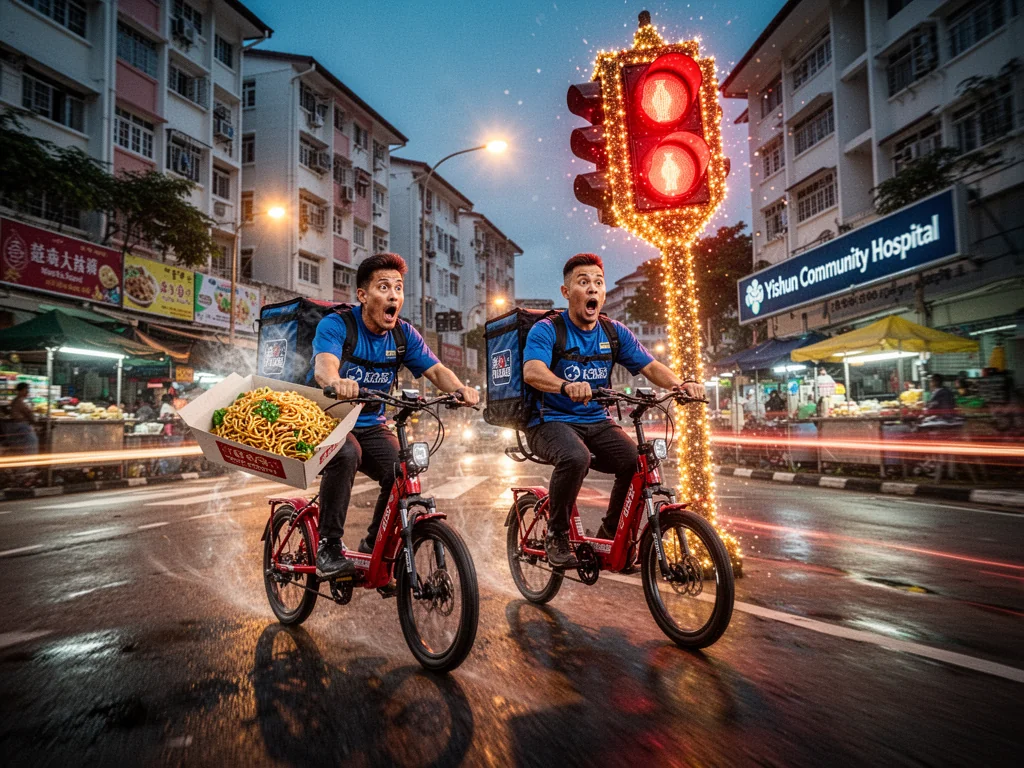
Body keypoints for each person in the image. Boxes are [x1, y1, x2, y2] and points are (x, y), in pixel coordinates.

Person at [522, 253, 703, 568]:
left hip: (596, 421)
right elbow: (532, 371)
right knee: (575, 457)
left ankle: (610, 535)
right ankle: (556, 535)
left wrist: (680, 384)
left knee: (636, 462)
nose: (592, 288)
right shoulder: (547, 329)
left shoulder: (614, 332)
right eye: (583, 282)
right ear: (566, 292)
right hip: (548, 422)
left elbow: (650, 366)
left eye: (598, 282)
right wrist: (565, 386)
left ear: (603, 293)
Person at [311, 252, 479, 578]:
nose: (393, 296)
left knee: (402, 471)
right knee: (347, 453)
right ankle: (328, 547)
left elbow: (436, 370)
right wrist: (335, 381)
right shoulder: (337, 324)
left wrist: (461, 390)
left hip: (371, 424)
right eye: (384, 287)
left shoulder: (403, 335)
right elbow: (324, 365)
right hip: (329, 420)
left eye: (398, 288)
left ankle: (374, 548)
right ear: (363, 295)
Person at [7, 382, 39, 455]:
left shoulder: (16, 400)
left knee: (22, 444)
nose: (27, 392)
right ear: (20, 391)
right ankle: (30, 461)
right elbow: (28, 413)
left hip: (17, 425)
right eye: (26, 390)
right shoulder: (19, 401)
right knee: (32, 441)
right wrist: (34, 421)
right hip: (21, 425)